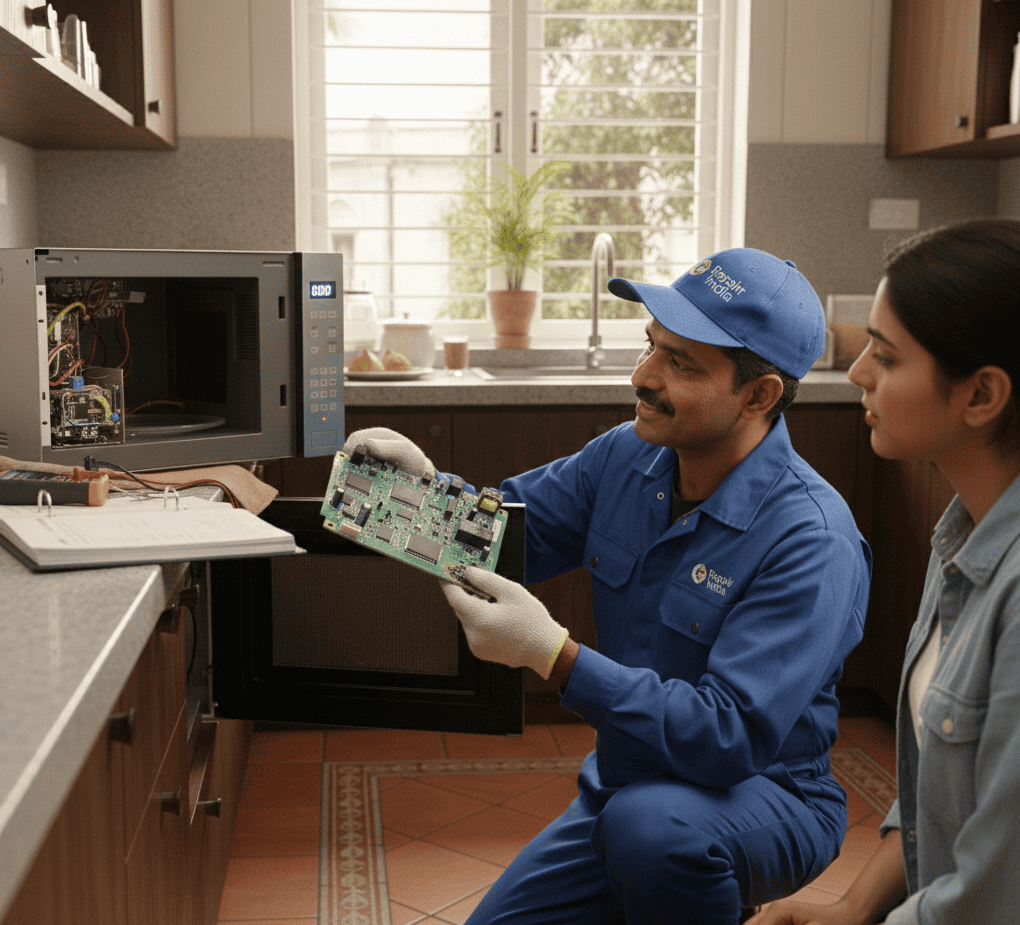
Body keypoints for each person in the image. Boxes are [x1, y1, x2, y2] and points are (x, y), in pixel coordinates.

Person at [345, 247, 872, 924]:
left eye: (680, 362)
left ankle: (703, 883)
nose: (642, 376)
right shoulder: (628, 454)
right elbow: (501, 539)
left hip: (765, 794)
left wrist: (554, 655)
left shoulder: (811, 537)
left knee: (654, 835)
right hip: (624, 788)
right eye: (651, 345)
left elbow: (727, 735)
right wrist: (415, 494)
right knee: (616, 839)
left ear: (759, 395)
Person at [749, 217, 1020, 925]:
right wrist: (851, 908)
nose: (859, 372)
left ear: (982, 395)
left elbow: (992, 894)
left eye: (887, 355)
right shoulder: (964, 533)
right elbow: (940, 789)